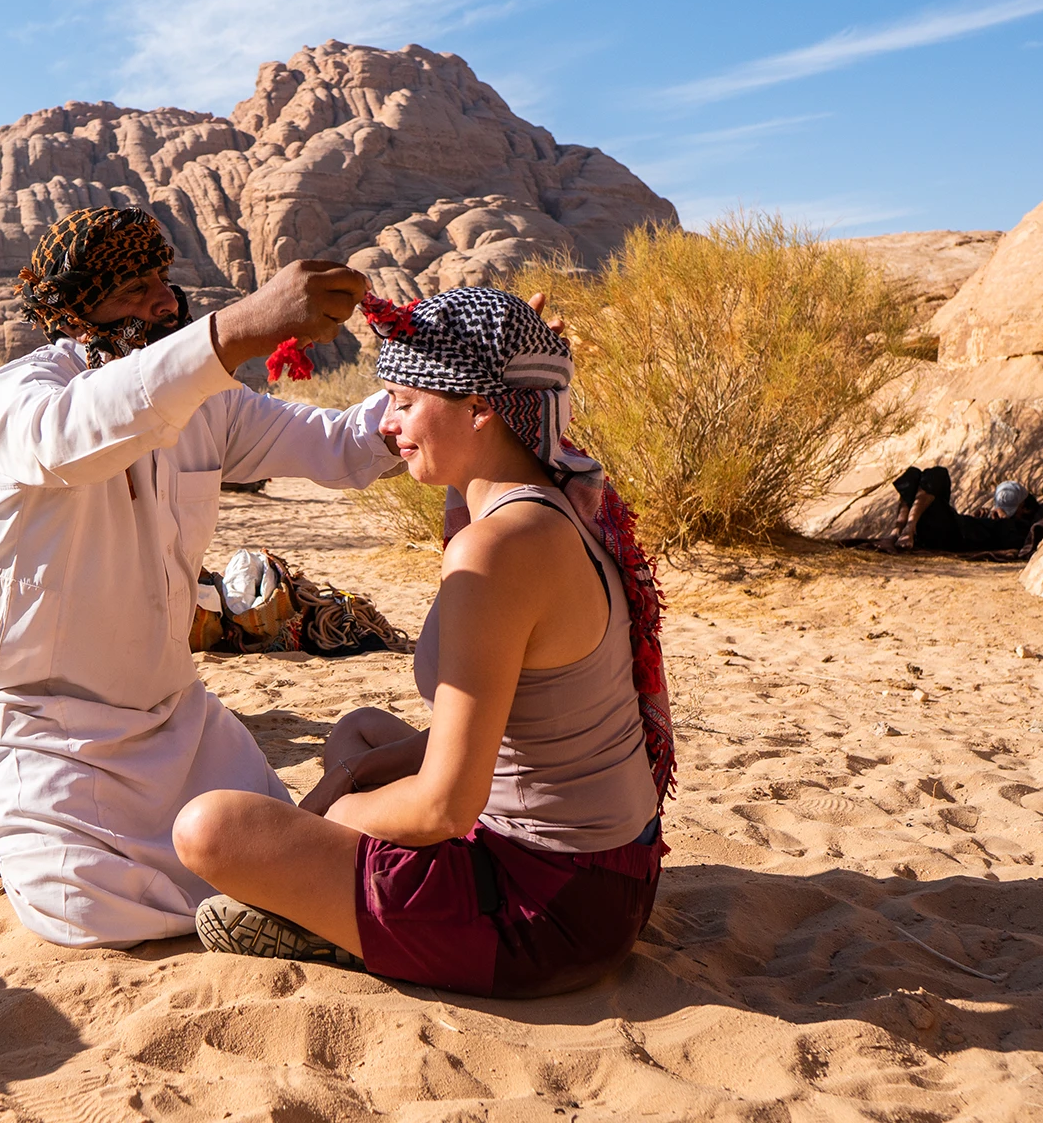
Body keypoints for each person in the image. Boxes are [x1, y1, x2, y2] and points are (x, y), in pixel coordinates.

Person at [172, 287, 674, 999]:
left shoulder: (496, 553)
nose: (389, 420)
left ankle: (344, 929)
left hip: (545, 913)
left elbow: (445, 810)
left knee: (210, 830)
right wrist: (347, 780)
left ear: (479, 407)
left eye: (405, 400)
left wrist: (330, 820)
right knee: (360, 734)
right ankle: (349, 911)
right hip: (605, 879)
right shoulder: (549, 500)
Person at [0, 206, 403, 949]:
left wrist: (450, 377)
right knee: (87, 914)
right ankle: (13, 816)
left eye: (162, 282)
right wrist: (236, 331)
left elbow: (341, 446)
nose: (161, 301)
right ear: (76, 311)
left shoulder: (210, 405)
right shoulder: (26, 393)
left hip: (171, 719)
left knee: (268, 847)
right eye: (130, 291)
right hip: (37, 721)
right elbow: (77, 434)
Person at [881, 467, 1038, 553]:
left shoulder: (1020, 528)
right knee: (913, 474)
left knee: (939, 474)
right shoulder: (995, 519)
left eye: (1009, 510)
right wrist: (978, 518)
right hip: (953, 525)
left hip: (953, 534)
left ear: (1025, 509)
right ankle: (897, 531)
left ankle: (908, 528)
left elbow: (1012, 543)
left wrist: (1004, 522)